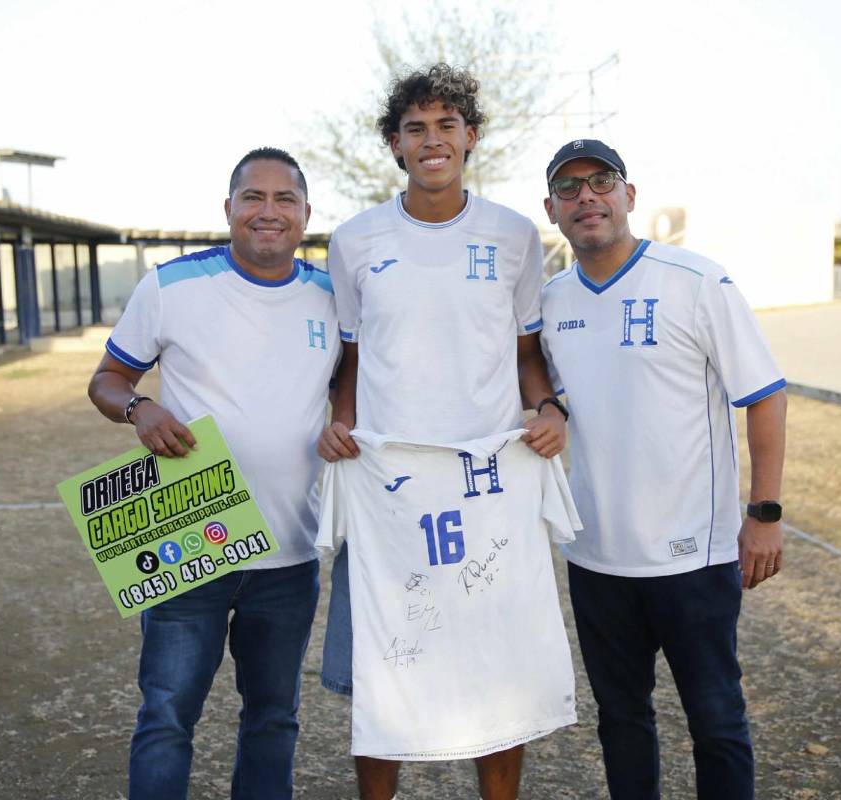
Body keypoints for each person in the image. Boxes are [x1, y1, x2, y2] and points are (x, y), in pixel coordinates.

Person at [316, 63, 569, 800]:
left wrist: (548, 409)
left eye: (447, 126)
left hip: (489, 485)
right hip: (389, 489)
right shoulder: (356, 241)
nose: (432, 141)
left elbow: (526, 356)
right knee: (386, 662)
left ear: (471, 137)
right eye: (416, 129)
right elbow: (351, 361)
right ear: (395, 145)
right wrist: (340, 422)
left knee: (499, 666)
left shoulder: (516, 236)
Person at [539, 139, 788, 800]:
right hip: (597, 556)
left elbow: (764, 394)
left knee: (716, 722)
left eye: (601, 182)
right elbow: (548, 388)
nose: (586, 197)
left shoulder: (696, 281)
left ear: (629, 195)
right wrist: (548, 406)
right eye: (569, 189)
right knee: (621, 721)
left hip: (693, 557)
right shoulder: (554, 301)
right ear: (552, 210)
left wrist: (764, 514)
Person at [87, 147, 338, 800]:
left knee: (273, 717)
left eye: (285, 199)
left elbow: (361, 387)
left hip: (288, 556)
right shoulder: (171, 287)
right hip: (192, 535)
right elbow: (108, 379)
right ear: (227, 209)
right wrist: (138, 409)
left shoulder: (332, 299)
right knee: (168, 715)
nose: (268, 211)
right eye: (253, 197)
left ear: (306, 214)